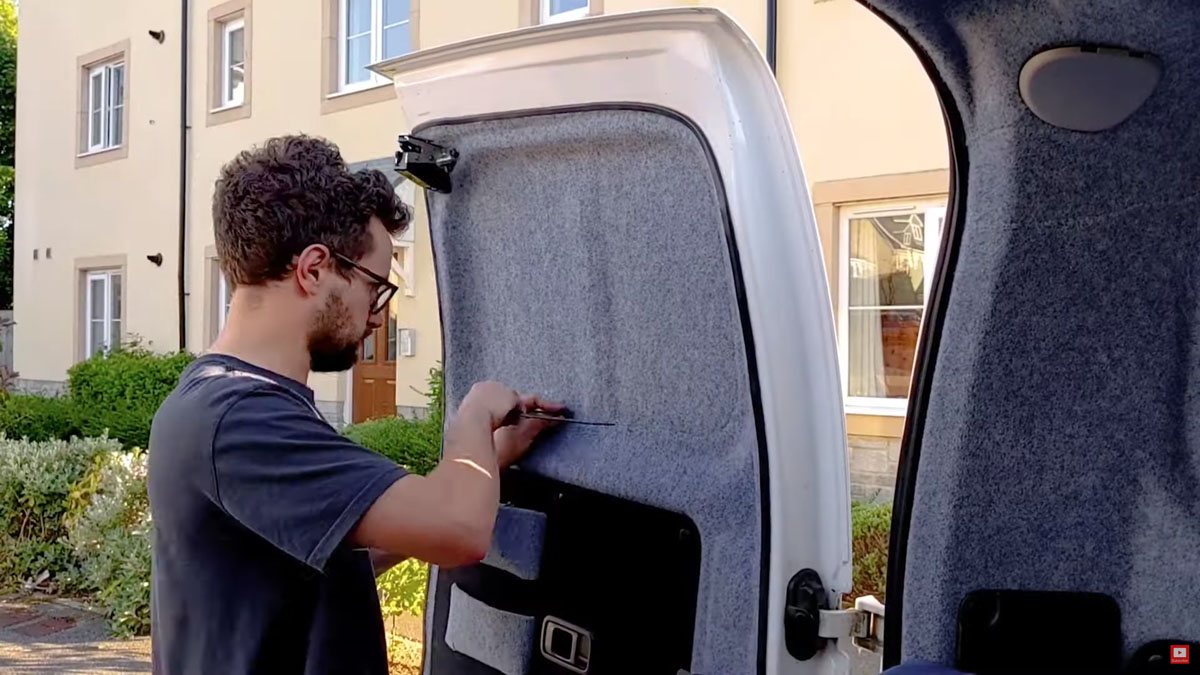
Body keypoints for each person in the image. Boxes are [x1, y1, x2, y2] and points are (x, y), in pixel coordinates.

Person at [147, 134, 562, 674]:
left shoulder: (223, 399)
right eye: (375, 286)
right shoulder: (240, 418)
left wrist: (489, 458)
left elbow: (335, 554)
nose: (377, 314)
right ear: (314, 269)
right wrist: (474, 415)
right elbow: (460, 533)